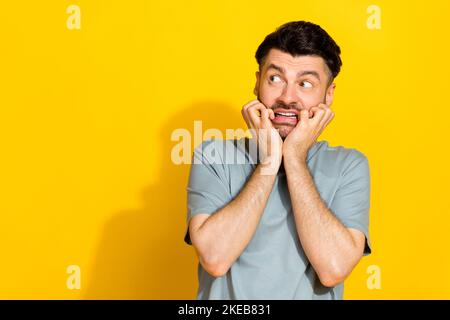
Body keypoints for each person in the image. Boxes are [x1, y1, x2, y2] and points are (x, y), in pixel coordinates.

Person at [184, 21, 371, 299]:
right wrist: (269, 162)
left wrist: (294, 160)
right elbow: (215, 258)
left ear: (328, 95)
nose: (287, 97)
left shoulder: (349, 165)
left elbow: (333, 268)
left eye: (305, 84)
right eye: (275, 79)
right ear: (257, 82)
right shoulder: (214, 156)